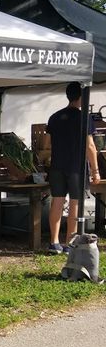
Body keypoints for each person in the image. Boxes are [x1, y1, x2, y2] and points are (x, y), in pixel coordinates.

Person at [46, 82, 100, 254]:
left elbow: (46, 145)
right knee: (75, 204)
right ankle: (70, 242)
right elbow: (90, 146)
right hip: (76, 166)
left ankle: (54, 242)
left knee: (57, 201)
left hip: (56, 165)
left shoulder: (54, 117)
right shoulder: (84, 117)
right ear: (82, 97)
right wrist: (95, 170)